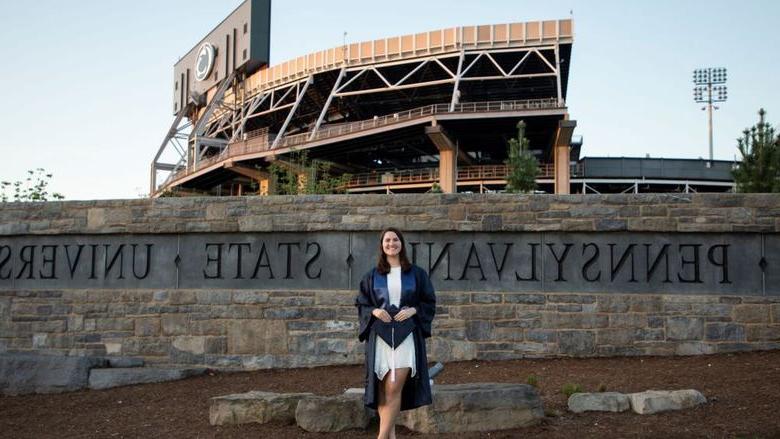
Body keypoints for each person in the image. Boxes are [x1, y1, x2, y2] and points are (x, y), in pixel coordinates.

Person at [355, 227, 436, 439]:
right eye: (387, 241)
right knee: (382, 393)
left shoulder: (417, 274)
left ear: (402, 243)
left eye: (395, 240)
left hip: (406, 336)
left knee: (392, 388)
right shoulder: (372, 276)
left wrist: (413, 310)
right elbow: (362, 303)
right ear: (382, 246)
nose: (391, 244)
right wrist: (374, 310)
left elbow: (429, 301)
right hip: (380, 337)